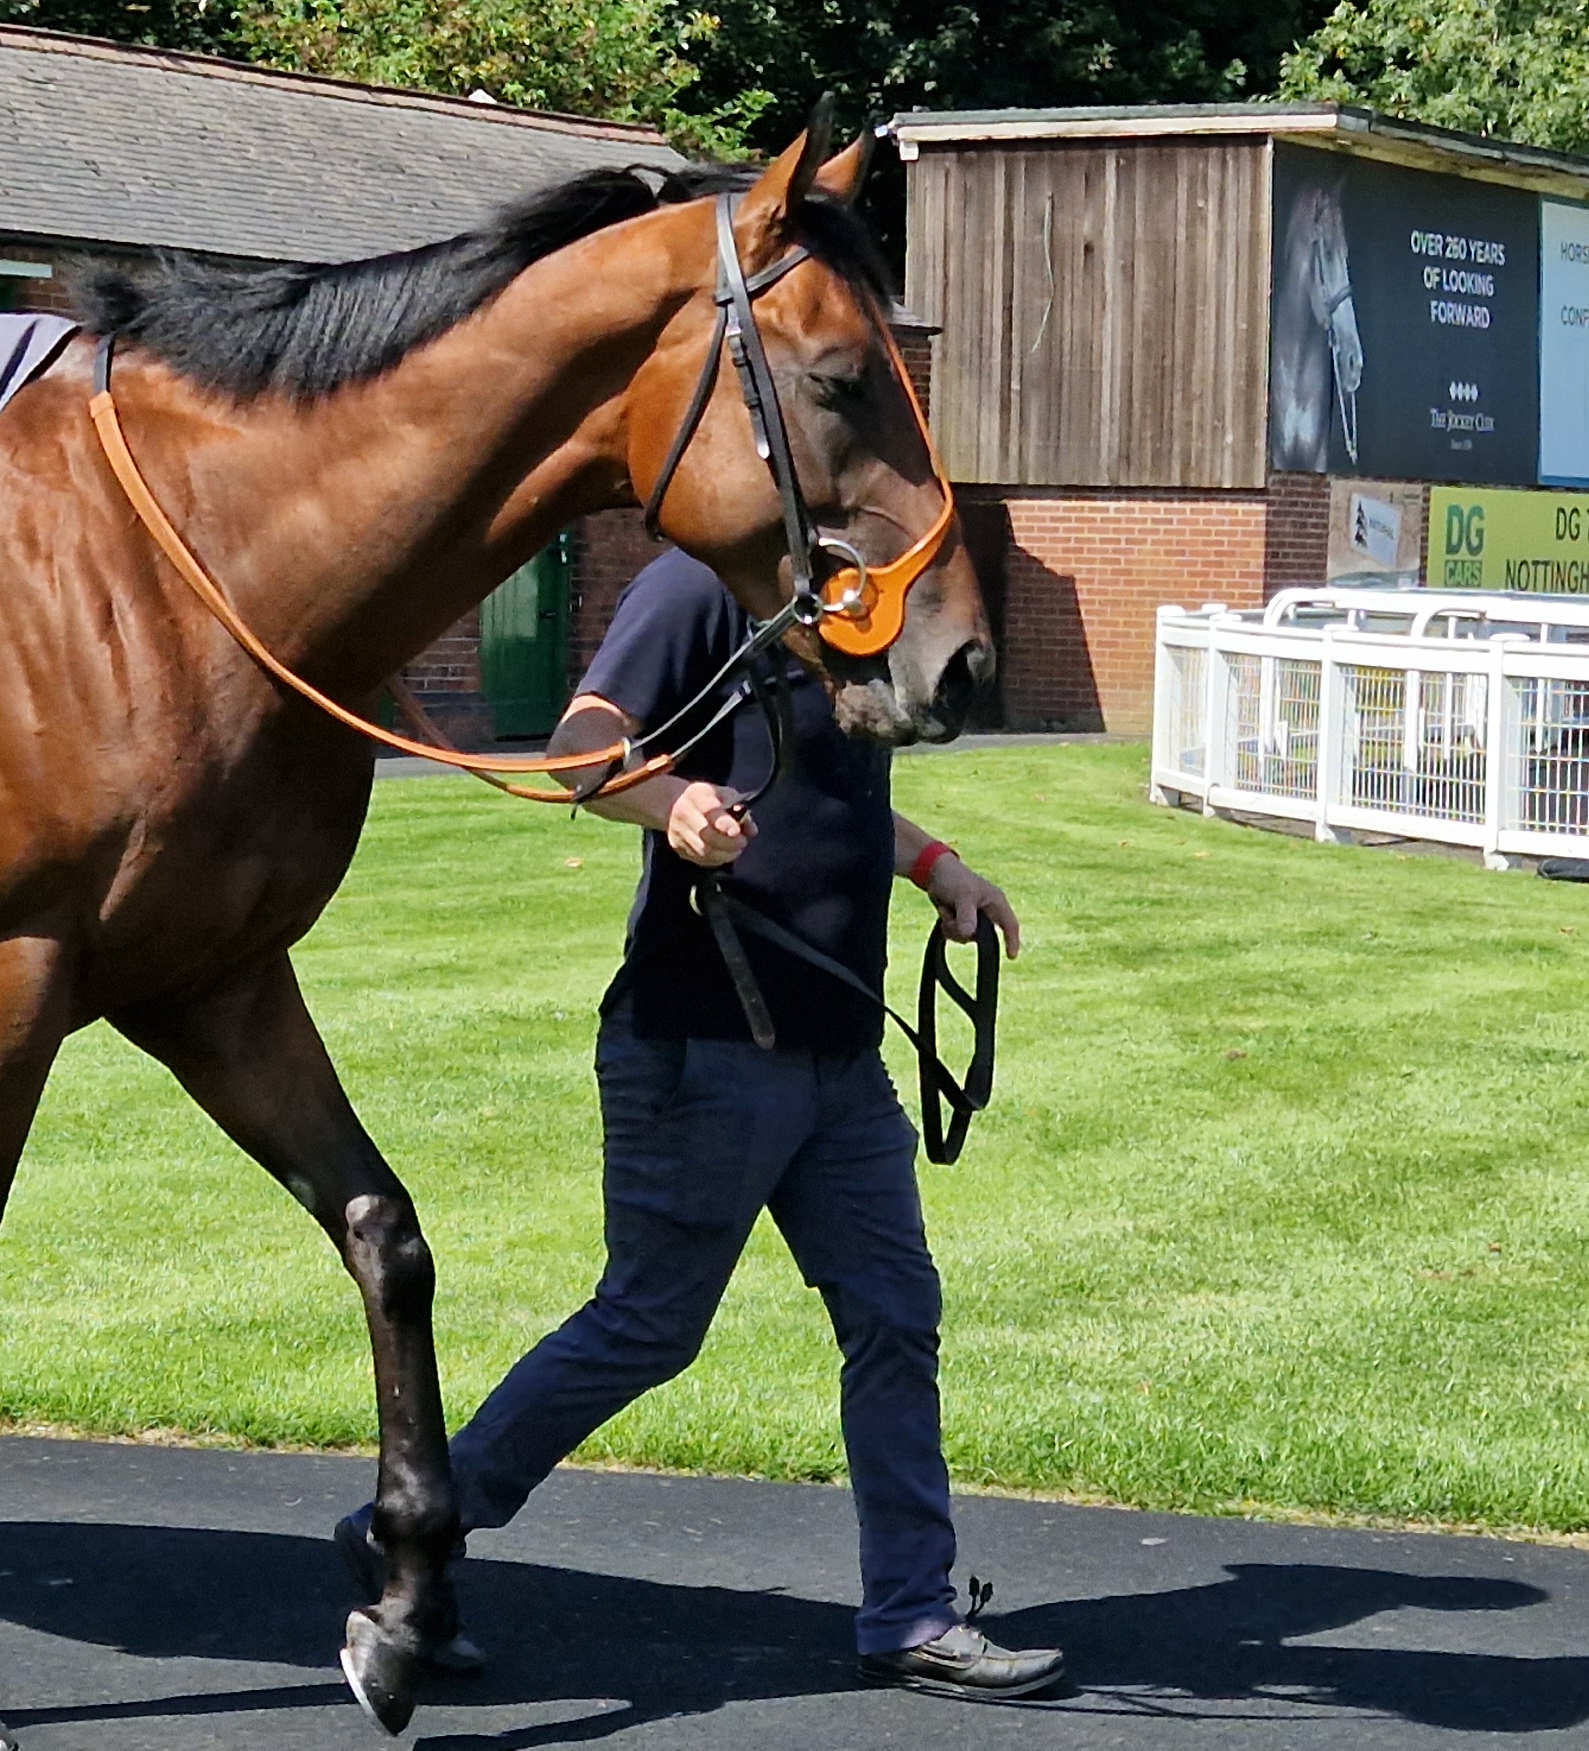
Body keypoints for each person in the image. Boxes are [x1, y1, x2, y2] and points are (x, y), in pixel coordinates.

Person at [340, 546, 1061, 1700]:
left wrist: (935, 865)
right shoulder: (693, 590)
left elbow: (830, 792)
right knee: (650, 1325)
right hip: (699, 1045)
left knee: (893, 1317)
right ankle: (414, 1525)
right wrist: (670, 800)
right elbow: (579, 749)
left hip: (837, 1056)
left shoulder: (841, 606)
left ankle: (912, 1615)